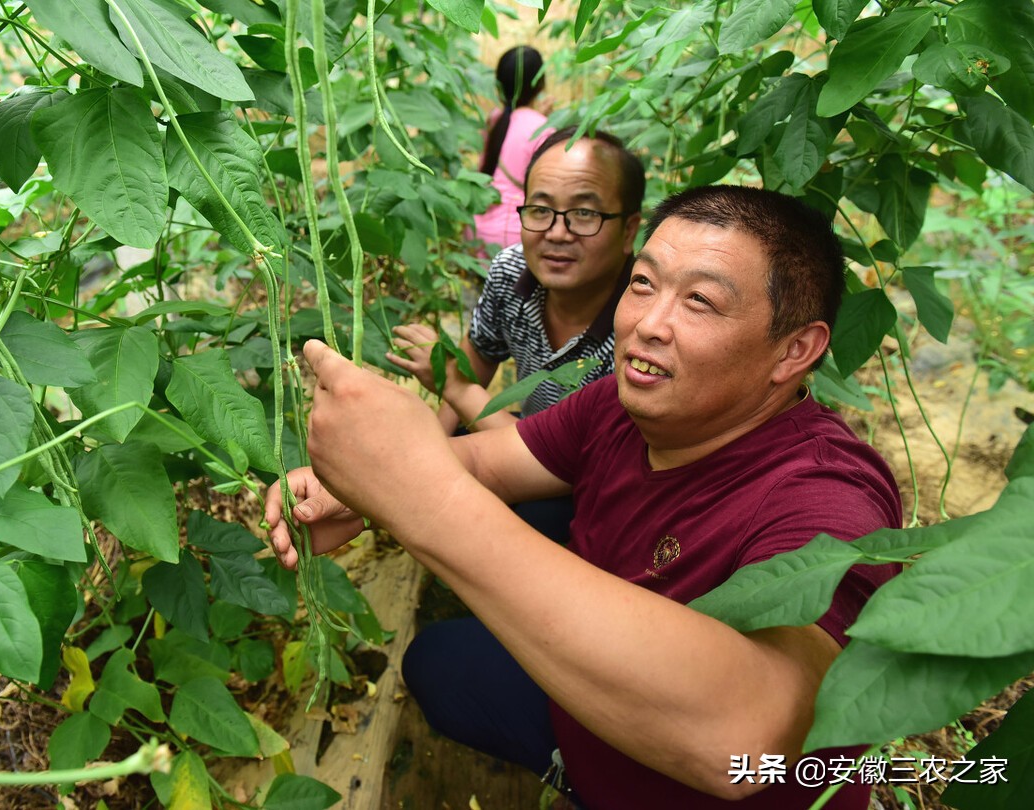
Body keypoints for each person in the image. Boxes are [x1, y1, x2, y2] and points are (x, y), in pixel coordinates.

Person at [265, 186, 902, 809]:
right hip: (594, 721)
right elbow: (488, 461)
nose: (648, 325)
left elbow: (748, 736)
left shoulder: (830, 500)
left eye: (701, 301)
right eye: (644, 283)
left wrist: (420, 498)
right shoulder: (623, 405)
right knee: (438, 667)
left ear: (796, 350)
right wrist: (353, 488)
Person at [387, 127, 646, 437]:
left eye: (584, 213)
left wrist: (453, 385)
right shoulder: (511, 270)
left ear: (628, 231)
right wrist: (437, 447)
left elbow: (568, 464)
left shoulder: (644, 328)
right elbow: (479, 357)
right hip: (526, 434)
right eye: (540, 209)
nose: (557, 233)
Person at [471, 45, 554, 253]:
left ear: (499, 86)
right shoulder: (543, 129)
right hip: (514, 242)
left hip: (476, 234)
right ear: (541, 83)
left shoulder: (495, 119)